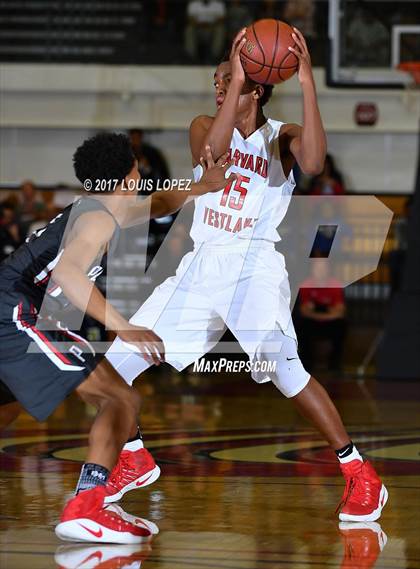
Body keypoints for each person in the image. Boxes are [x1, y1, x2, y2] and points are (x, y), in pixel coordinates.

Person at [106, 30, 388, 522]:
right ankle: (133, 457)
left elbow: (317, 163)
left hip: (254, 266)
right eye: (220, 81)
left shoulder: (281, 136)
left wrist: (307, 82)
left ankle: (360, 472)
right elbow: (207, 158)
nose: (220, 89)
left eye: (228, 81)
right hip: (201, 264)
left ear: (259, 88)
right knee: (114, 365)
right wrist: (240, 79)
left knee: (285, 371)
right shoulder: (203, 125)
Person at [0, 132, 234, 542]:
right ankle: (89, 504)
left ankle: (134, 459)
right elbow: (68, 274)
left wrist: (201, 186)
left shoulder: (101, 207)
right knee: (120, 397)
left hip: (14, 313)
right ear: (131, 175)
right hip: (15, 316)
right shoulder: (96, 219)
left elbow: (159, 203)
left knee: (6, 410)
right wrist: (125, 326)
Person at [298, 257, 347, 371]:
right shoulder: (306, 285)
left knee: (341, 325)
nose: (320, 271)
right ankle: (306, 364)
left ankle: (335, 364)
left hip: (330, 324)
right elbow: (304, 312)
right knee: (302, 325)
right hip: (312, 323)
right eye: (317, 268)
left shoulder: (335, 284)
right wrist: (328, 311)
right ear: (312, 270)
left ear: (328, 269)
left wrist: (316, 310)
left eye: (323, 268)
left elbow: (340, 312)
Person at [185, 0, 226, 64]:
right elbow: (190, 19)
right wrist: (201, 25)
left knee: (220, 29)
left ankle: (214, 56)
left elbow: (221, 19)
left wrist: (210, 25)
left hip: (212, 29)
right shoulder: (193, 4)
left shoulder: (218, 4)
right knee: (189, 29)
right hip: (198, 29)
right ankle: (191, 57)